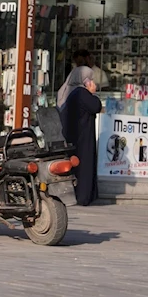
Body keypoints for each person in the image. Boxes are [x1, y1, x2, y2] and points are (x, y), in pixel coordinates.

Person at [58, 66, 102, 206]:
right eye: (90, 80)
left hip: (73, 136)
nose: (92, 83)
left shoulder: (70, 92)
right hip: (83, 137)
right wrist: (92, 93)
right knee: (84, 166)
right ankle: (83, 197)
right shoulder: (82, 93)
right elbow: (95, 106)